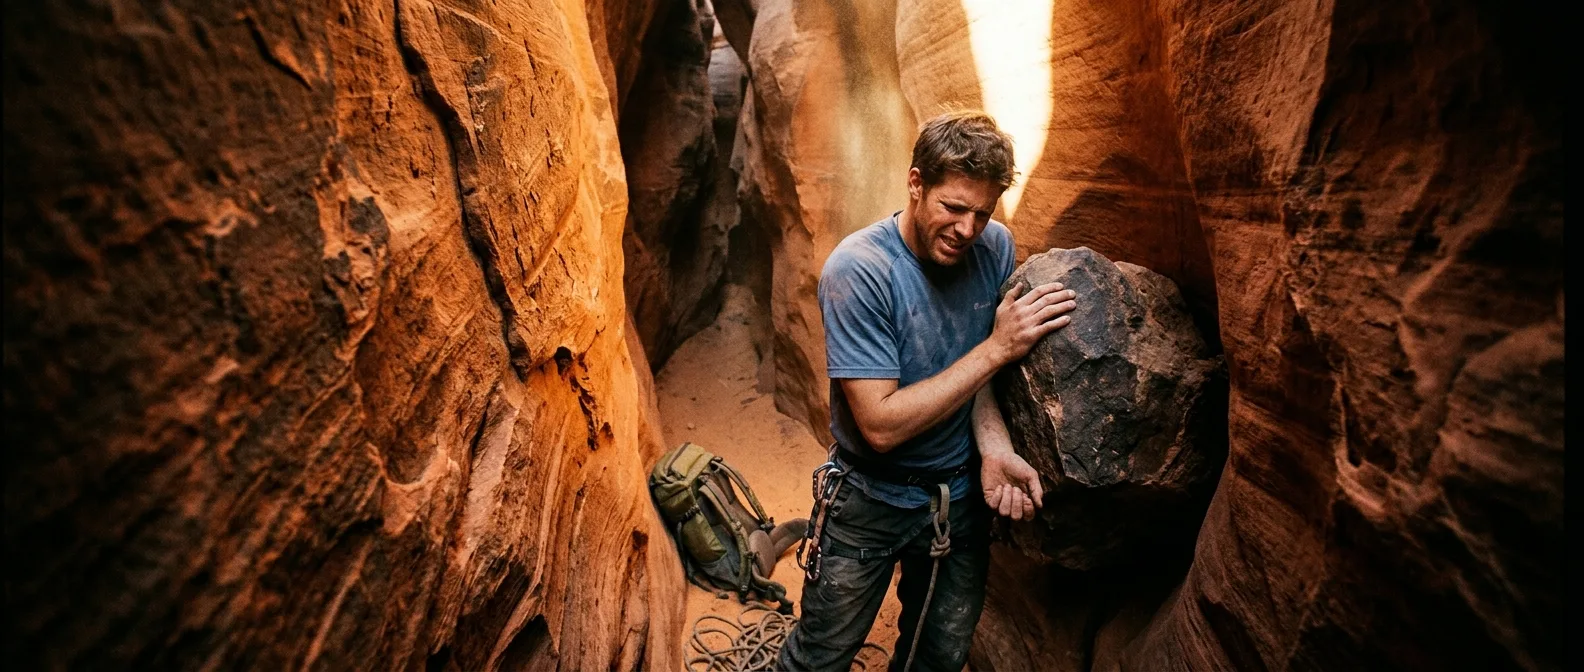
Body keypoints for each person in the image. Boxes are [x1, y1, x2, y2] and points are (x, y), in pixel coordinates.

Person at [777, 111, 1078, 671]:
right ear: (916, 184)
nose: (968, 229)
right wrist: (997, 347)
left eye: (982, 213)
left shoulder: (994, 248)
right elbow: (881, 425)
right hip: (869, 497)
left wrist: (994, 448)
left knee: (939, 657)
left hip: (957, 501)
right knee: (819, 659)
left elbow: (973, 378)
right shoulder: (860, 270)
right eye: (954, 207)